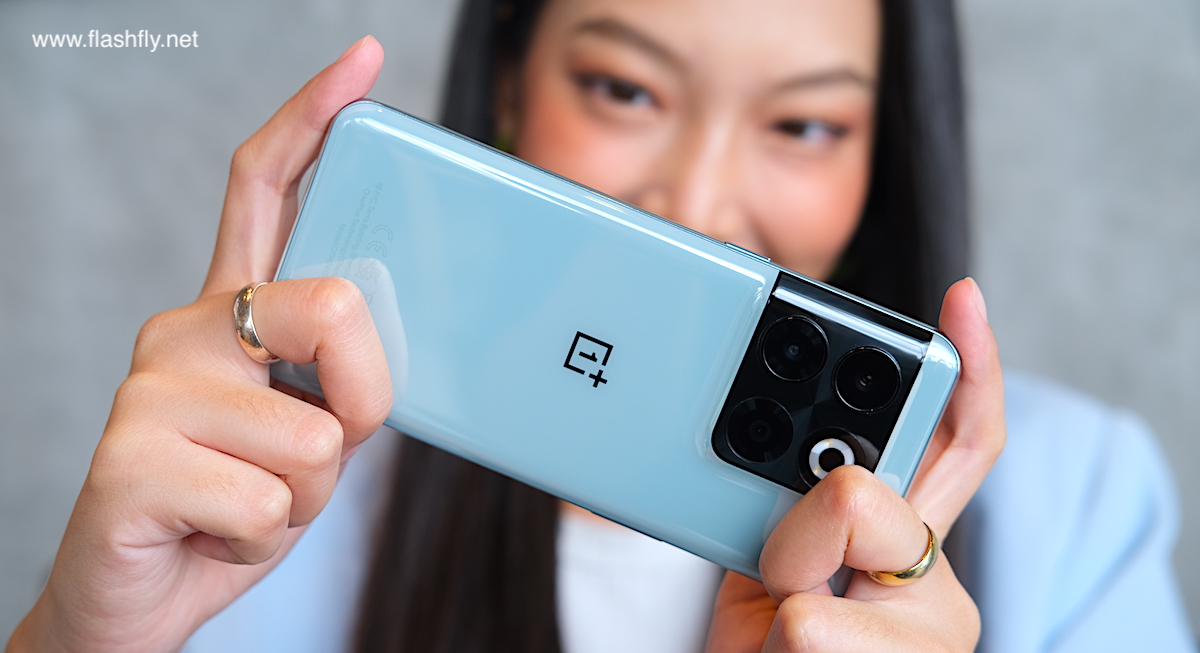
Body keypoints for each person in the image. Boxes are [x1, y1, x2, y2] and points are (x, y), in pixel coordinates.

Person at [6, 0, 1194, 651]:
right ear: (509, 84)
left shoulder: (1075, 505)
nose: (699, 200)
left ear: (880, 159)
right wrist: (84, 639)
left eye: (806, 126)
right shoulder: (267, 493)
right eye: (624, 89)